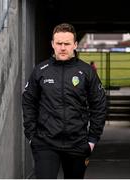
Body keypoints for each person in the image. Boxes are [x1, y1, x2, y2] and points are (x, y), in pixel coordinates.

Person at [22, 23, 106, 179]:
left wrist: (92, 139)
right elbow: (28, 101)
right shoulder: (41, 71)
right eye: (59, 43)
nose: (62, 47)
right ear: (52, 44)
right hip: (45, 142)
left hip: (77, 143)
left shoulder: (86, 71)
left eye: (67, 44)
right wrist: (32, 135)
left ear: (75, 44)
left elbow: (99, 105)